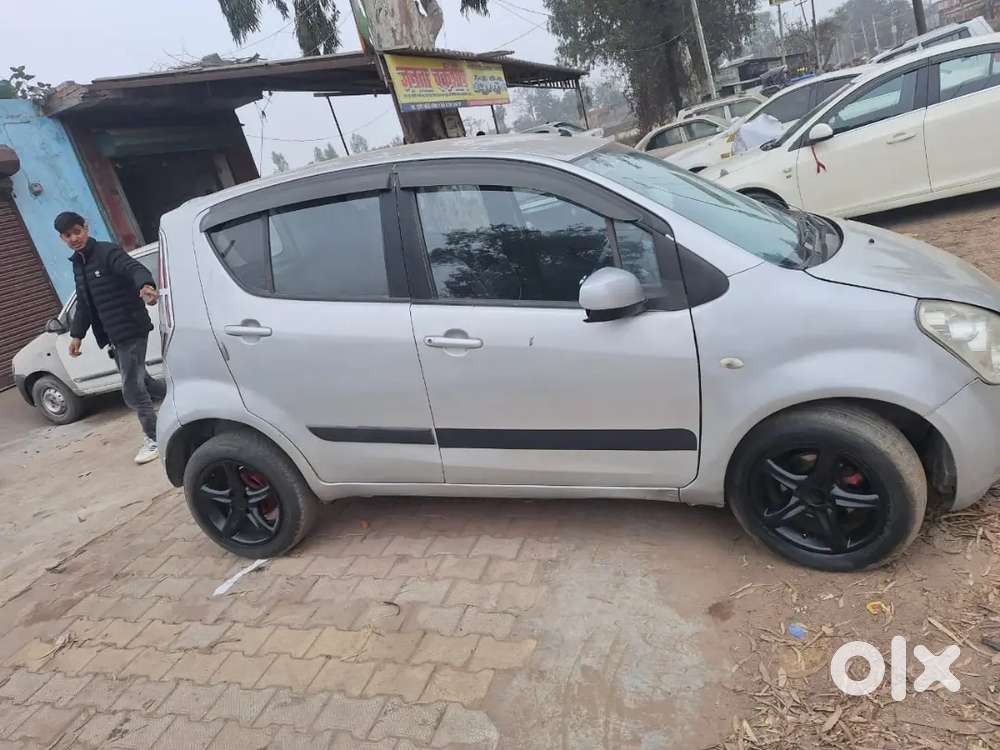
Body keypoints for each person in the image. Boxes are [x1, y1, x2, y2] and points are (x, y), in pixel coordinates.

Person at [55, 212, 164, 464]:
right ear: (62, 238)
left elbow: (133, 268)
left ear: (86, 227)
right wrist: (77, 336)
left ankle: (156, 437)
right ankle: (181, 398)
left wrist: (146, 285)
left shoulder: (106, 252)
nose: (74, 238)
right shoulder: (79, 264)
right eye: (68, 235)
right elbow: (84, 303)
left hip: (130, 328)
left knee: (132, 389)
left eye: (77, 231)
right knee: (144, 382)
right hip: (115, 334)